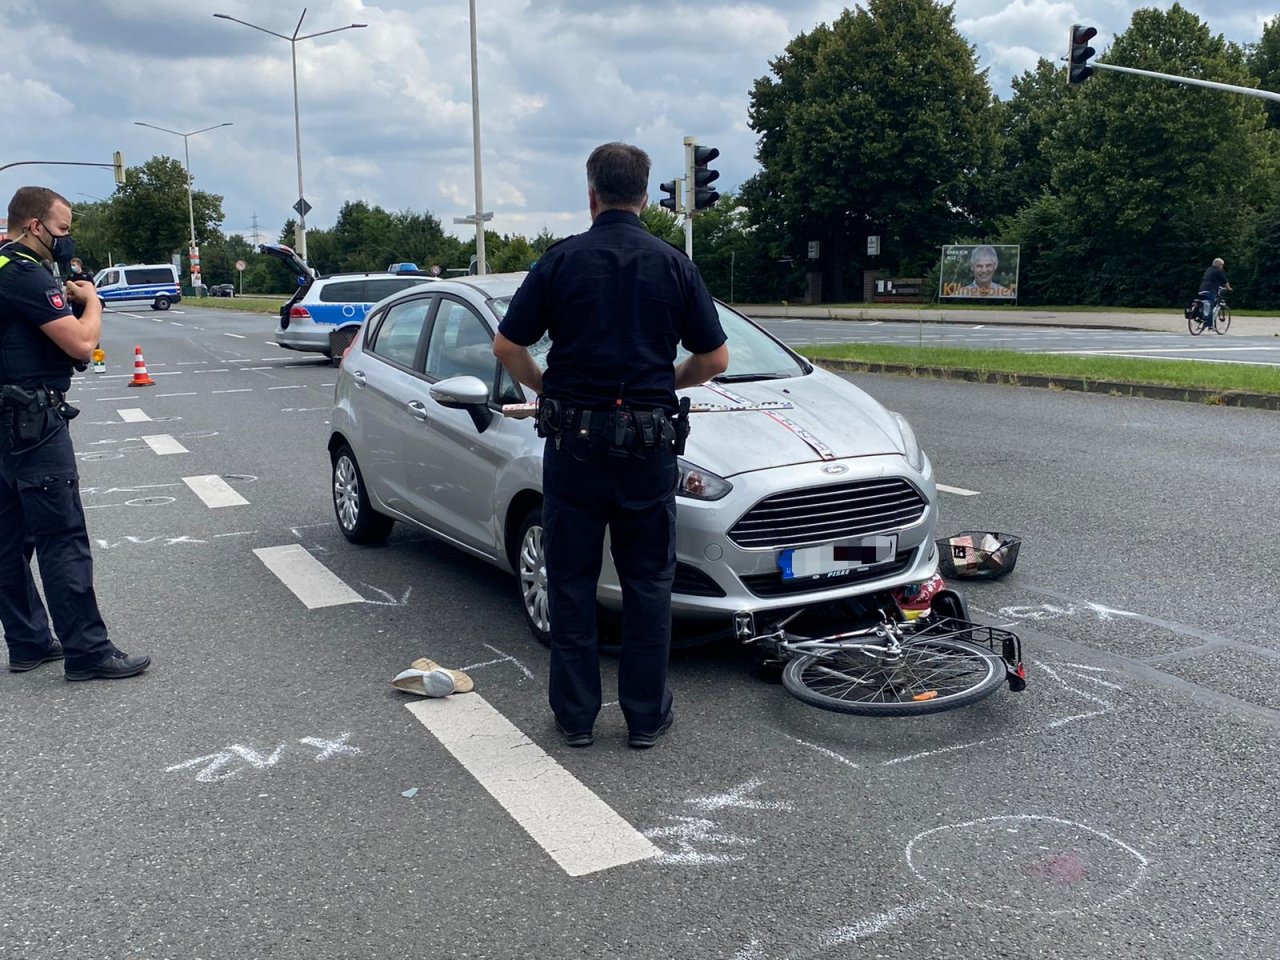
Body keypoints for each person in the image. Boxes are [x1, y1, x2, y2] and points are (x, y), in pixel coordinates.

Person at [493, 143, 729, 749]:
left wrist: (549, 389)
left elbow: (507, 347)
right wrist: (664, 381)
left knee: (570, 581)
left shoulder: (560, 262)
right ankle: (646, 718)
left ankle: (575, 719)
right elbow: (715, 359)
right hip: (647, 452)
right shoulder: (674, 265)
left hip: (573, 450)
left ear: (591, 194)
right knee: (649, 583)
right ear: (647, 197)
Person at [0, 186, 150, 680]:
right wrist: (93, 302)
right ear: (35, 226)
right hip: (32, 423)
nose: (66, 240)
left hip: (5, 422)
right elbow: (83, 345)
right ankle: (88, 651)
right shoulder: (24, 272)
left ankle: (28, 643)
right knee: (61, 537)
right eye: (62, 230)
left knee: (8, 540)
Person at [1196, 257, 1231, 330]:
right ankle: (1210, 325)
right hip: (1210, 290)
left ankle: (1202, 318)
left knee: (1205, 305)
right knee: (1211, 306)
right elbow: (1224, 280)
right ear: (1219, 265)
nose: (1222, 267)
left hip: (1202, 289)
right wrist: (1229, 288)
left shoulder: (1208, 270)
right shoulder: (1218, 271)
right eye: (1222, 265)